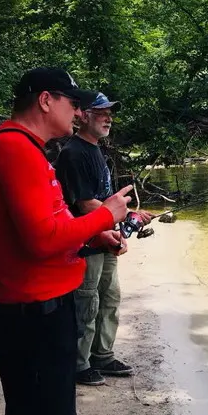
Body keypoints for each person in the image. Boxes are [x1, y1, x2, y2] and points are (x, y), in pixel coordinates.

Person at [0, 67, 135, 415]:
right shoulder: (14, 150)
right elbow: (42, 240)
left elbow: (39, 234)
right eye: (73, 103)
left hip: (36, 309)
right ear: (45, 100)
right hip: (35, 314)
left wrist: (94, 237)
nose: (78, 113)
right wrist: (106, 214)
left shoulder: (22, 149)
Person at [54, 91, 152, 386]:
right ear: (82, 115)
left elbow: (104, 200)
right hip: (85, 241)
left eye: (110, 113)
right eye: (100, 113)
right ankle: (79, 364)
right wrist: (118, 219)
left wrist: (124, 222)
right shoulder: (73, 152)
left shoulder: (96, 149)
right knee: (87, 301)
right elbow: (85, 204)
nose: (108, 118)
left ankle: (103, 355)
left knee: (110, 297)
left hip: (104, 234)